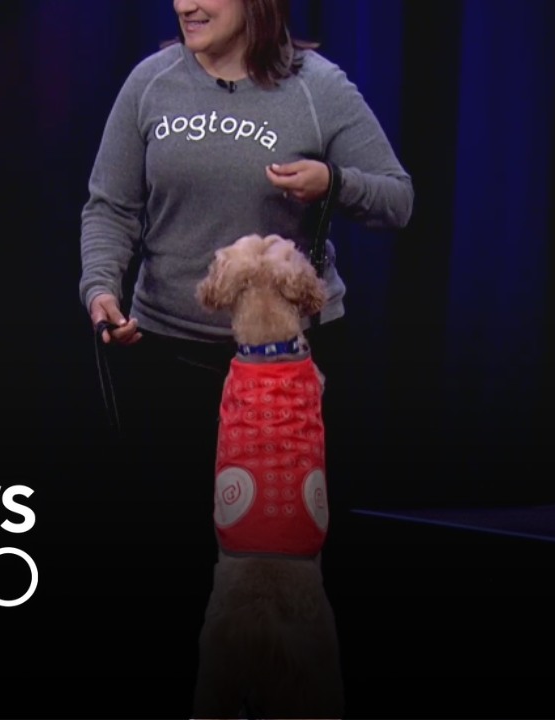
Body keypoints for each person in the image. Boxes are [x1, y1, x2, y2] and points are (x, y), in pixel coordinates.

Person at [78, 0, 413, 577]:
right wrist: (101, 288)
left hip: (292, 368)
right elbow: (110, 208)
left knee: (291, 566)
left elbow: (396, 199)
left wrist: (334, 182)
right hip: (171, 359)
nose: (185, 5)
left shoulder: (317, 86)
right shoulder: (151, 82)